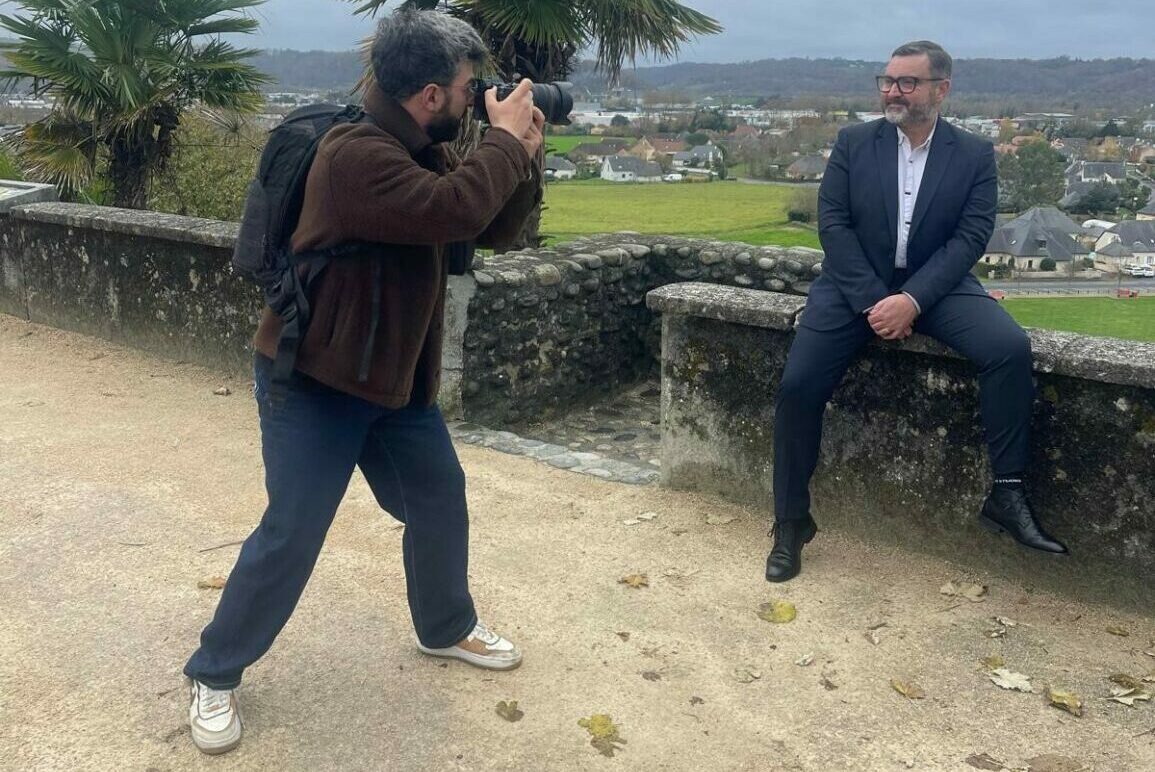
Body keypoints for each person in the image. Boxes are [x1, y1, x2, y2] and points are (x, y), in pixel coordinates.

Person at [183, 9, 545, 754]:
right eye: (468, 87)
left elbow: (488, 229)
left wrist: (525, 155)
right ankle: (214, 670)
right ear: (430, 95)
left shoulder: (417, 145)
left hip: (392, 384)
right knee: (293, 532)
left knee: (438, 498)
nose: (477, 96)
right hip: (315, 381)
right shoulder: (357, 155)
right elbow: (452, 209)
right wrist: (503, 143)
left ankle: (444, 627)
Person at [766, 40, 1068, 584]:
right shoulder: (854, 142)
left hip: (938, 285)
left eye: (907, 83)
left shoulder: (973, 154)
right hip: (853, 286)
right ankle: (790, 521)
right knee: (798, 386)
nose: (892, 91)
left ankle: (1007, 492)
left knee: (1008, 349)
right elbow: (833, 224)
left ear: (940, 90)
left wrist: (913, 299)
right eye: (887, 81)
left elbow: (971, 235)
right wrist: (873, 300)